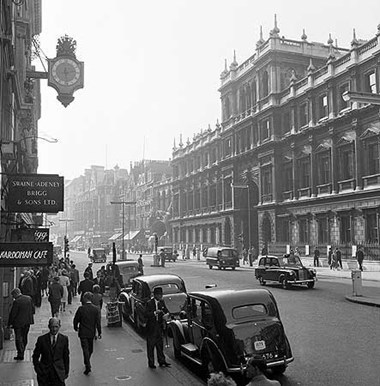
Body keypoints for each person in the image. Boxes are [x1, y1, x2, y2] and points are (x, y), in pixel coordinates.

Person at [32, 317, 70, 385]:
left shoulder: (64, 339)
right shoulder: (42, 339)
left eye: (56, 327)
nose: (54, 329)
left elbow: (66, 356)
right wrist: (38, 370)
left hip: (58, 374)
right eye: (52, 327)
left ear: (59, 327)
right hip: (44, 374)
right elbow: (35, 356)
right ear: (49, 327)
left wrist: (66, 371)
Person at [73, 292, 102, 375]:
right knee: (90, 349)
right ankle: (87, 364)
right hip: (91, 332)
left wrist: (76, 327)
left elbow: (76, 319)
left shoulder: (81, 309)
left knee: (86, 349)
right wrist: (99, 332)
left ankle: (87, 362)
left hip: (83, 332)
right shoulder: (95, 309)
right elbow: (98, 322)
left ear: (85, 298)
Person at [145, 287, 171, 369]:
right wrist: (154, 313)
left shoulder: (162, 302)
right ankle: (151, 362)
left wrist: (166, 315)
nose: (160, 296)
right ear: (155, 295)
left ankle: (162, 361)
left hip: (159, 326)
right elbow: (146, 314)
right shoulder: (149, 303)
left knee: (160, 345)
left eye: (161, 295)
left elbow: (166, 311)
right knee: (151, 346)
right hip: (151, 327)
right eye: (159, 295)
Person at [7, 287, 34, 360]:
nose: (13, 297)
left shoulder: (17, 301)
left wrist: (9, 324)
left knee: (18, 338)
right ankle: (23, 350)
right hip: (27, 321)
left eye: (13, 296)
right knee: (25, 336)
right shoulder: (29, 298)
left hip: (18, 323)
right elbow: (33, 310)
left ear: (16, 294)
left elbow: (13, 314)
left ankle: (20, 352)